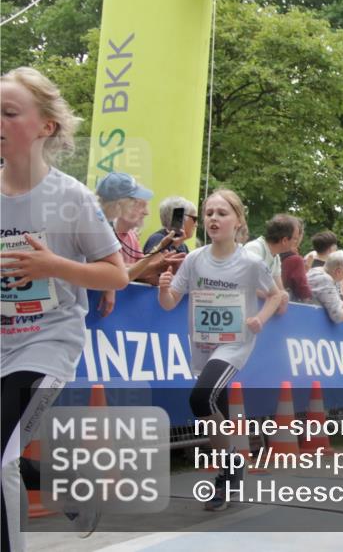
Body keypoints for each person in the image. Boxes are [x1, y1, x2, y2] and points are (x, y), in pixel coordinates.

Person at [1, 67, 129, 550]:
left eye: (9, 113)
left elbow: (115, 273)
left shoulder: (71, 197)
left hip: (45, 345)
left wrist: (53, 265)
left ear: (44, 127)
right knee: (6, 453)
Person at [157, 189, 284, 512]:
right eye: (209, 212)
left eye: (222, 213)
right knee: (218, 406)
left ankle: (228, 466)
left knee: (200, 398)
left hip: (235, 342)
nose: (213, 218)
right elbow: (170, 301)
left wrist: (259, 318)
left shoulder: (250, 262)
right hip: (203, 343)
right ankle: (230, 469)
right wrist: (162, 288)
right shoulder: (194, 259)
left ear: (238, 221)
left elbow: (275, 295)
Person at [94, 173, 185, 314]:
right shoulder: (96, 230)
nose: (147, 212)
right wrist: (157, 259)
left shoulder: (129, 235)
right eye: (139, 205)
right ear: (120, 204)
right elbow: (118, 274)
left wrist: (164, 268)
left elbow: (136, 273)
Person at [243, 214, 294, 314]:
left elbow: (280, 289)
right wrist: (274, 296)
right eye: (295, 239)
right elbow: (243, 284)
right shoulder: (254, 248)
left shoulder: (276, 257)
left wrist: (284, 296)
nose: (296, 243)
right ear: (284, 240)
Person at [279, 218, 310, 302]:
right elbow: (303, 290)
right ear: (298, 235)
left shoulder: (275, 253)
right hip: (288, 305)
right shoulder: (295, 259)